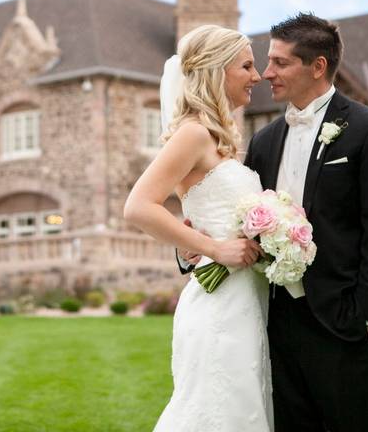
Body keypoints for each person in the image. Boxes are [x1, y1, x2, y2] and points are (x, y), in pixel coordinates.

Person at [180, 13, 368, 432]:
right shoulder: (264, 141)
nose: (267, 73)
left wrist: (367, 321)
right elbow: (238, 221)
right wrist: (192, 247)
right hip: (275, 327)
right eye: (266, 62)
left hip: (344, 326)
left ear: (317, 66)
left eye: (280, 63)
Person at [124, 24, 271, 432]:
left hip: (246, 303)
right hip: (220, 306)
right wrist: (215, 248)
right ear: (216, 69)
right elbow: (138, 207)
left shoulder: (216, 137)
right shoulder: (192, 133)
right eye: (246, 65)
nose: (257, 76)